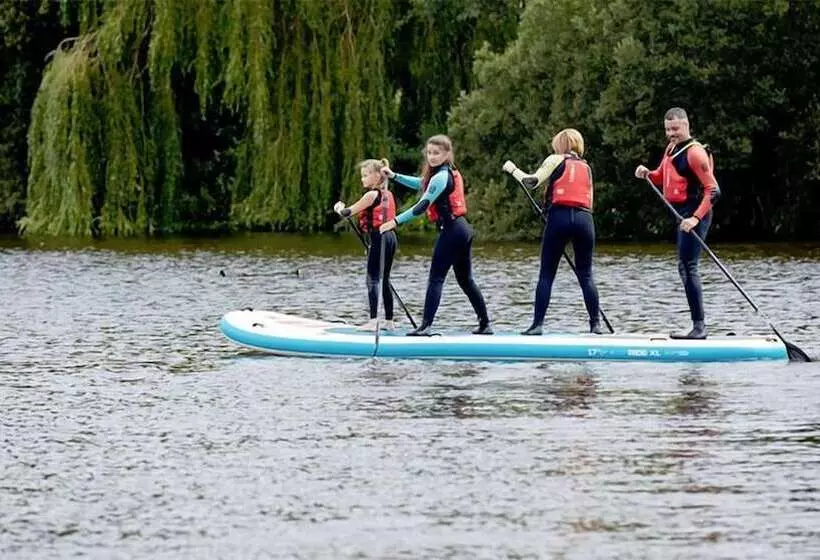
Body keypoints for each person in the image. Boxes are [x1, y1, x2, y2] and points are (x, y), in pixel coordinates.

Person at [378, 135, 493, 336]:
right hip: (462, 230)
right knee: (465, 280)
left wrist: (394, 222)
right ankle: (485, 324)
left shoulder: (441, 177)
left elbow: (422, 206)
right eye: (429, 153)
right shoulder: (444, 173)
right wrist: (394, 176)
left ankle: (426, 326)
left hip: (452, 231)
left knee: (436, 278)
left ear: (447, 154)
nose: (432, 157)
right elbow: (421, 183)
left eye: (436, 153)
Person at [635, 107, 720, 339]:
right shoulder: (672, 149)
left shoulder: (695, 153)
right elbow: (661, 176)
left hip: (695, 213)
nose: (671, 133)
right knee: (683, 267)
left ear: (686, 125)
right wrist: (647, 173)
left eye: (675, 129)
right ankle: (697, 324)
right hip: (681, 213)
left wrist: (694, 218)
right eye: (667, 129)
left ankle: (699, 327)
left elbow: (714, 191)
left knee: (688, 266)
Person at [512, 128, 603, 335]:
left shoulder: (555, 159)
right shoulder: (586, 167)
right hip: (584, 220)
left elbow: (531, 181)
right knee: (586, 275)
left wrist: (512, 170)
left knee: (546, 275)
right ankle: (595, 325)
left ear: (559, 146)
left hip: (559, 218)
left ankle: (537, 326)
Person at [333, 158, 397, 331]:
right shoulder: (388, 195)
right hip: (391, 237)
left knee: (372, 279)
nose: (362, 179)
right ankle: (389, 321)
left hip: (379, 237)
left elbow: (348, 212)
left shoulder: (371, 195)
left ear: (377, 176)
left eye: (366, 175)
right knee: (385, 280)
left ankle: (374, 320)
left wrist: (339, 208)